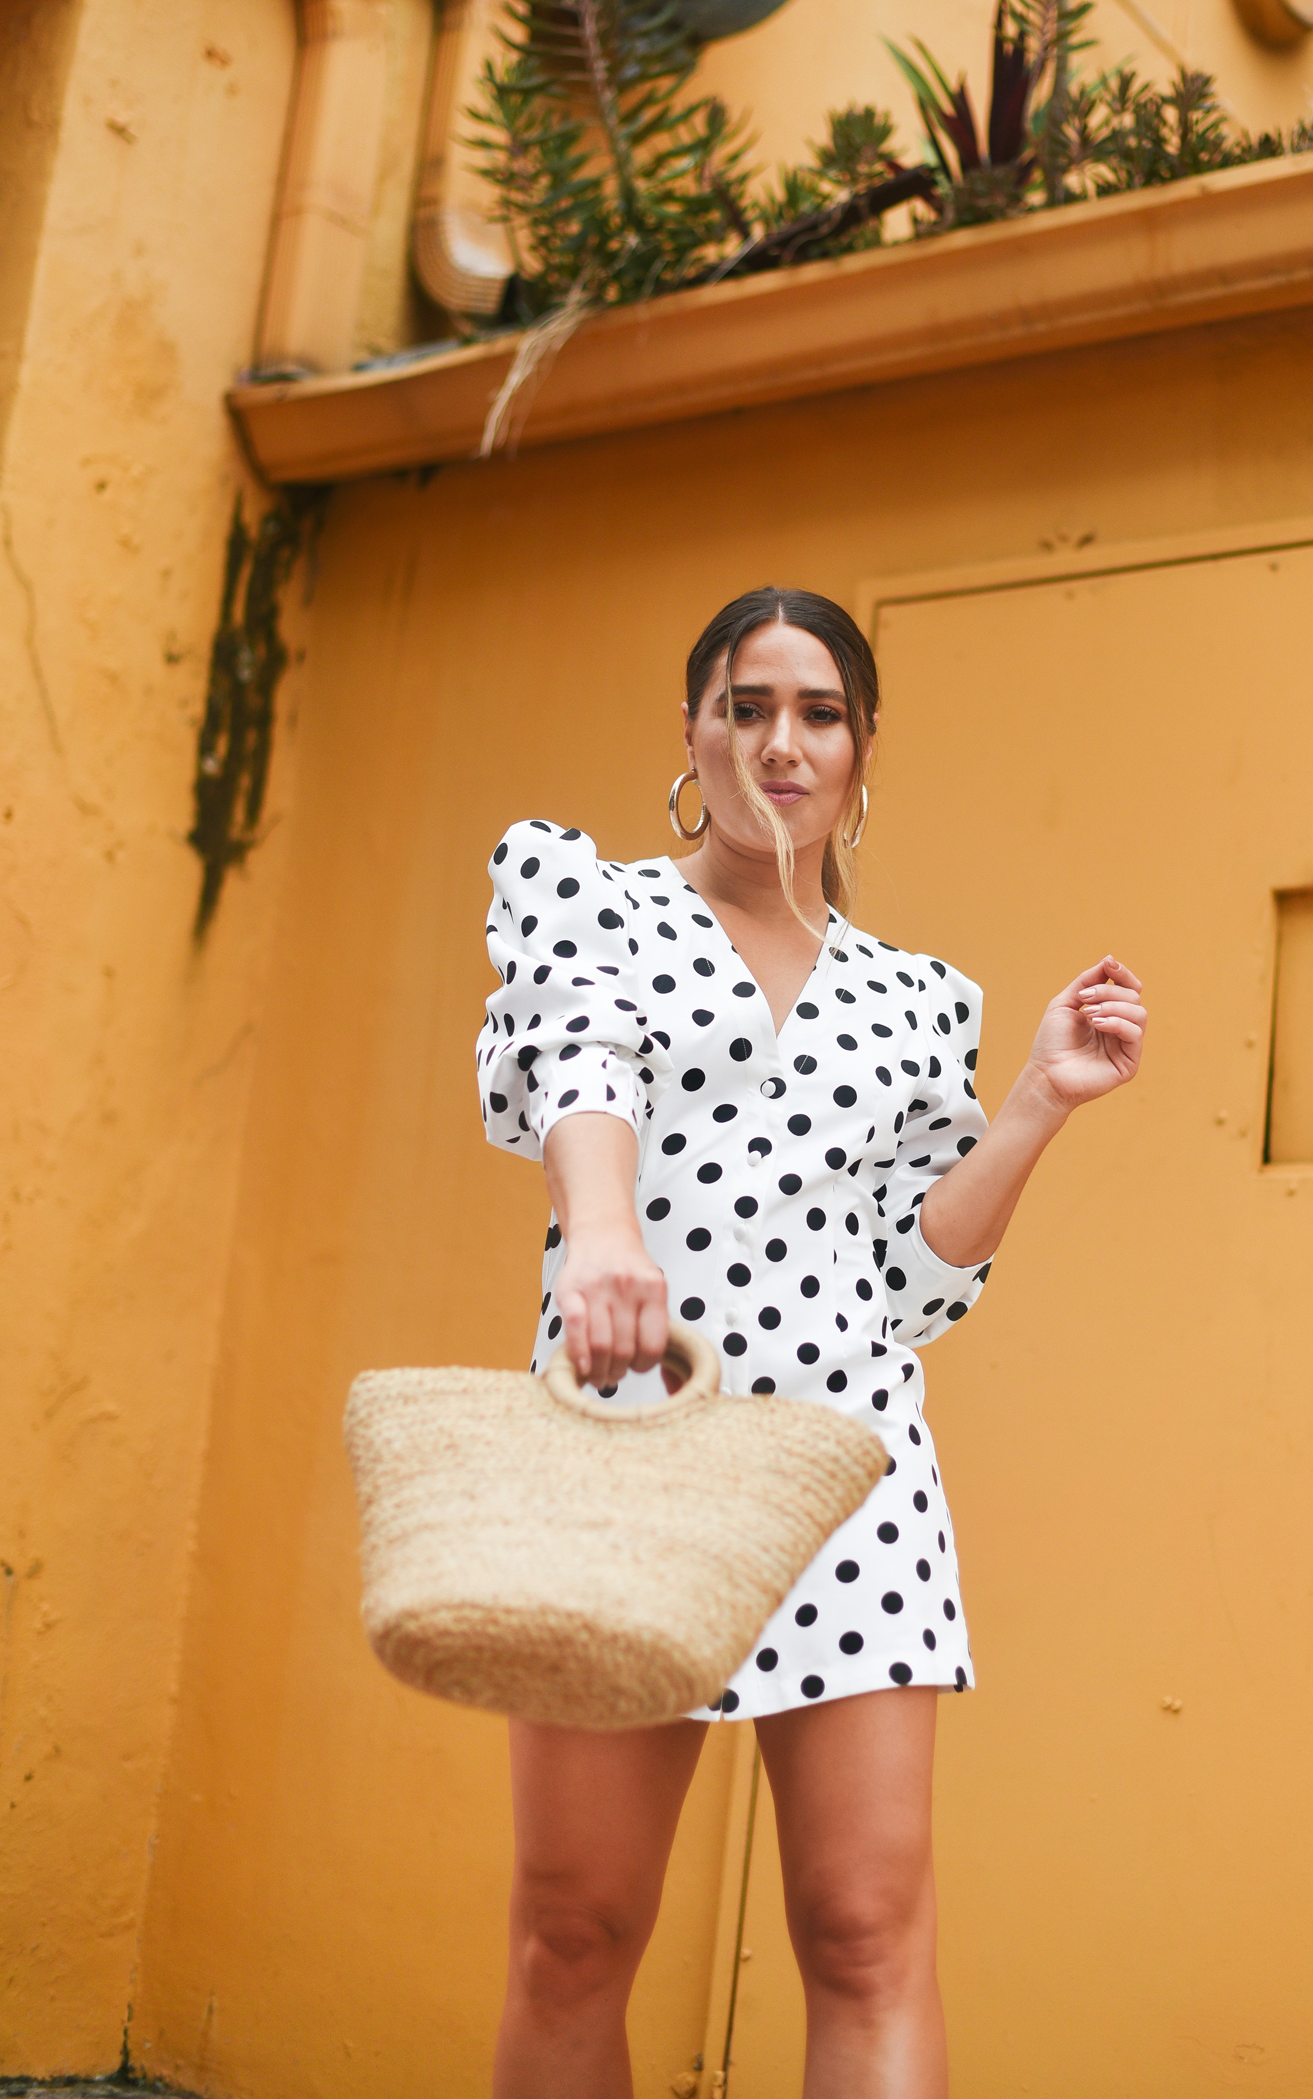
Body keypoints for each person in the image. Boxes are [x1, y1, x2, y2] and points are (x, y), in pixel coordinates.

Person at [475, 586, 1146, 2099]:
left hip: (851, 1477)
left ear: (859, 747)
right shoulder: (598, 905)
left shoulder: (917, 1001)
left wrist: (1037, 1098)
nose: (782, 741)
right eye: (746, 704)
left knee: (861, 1930)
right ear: (694, 731)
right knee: (573, 1931)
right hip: (627, 1455)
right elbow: (578, 1061)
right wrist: (602, 1231)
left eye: (818, 711)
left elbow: (913, 1280)